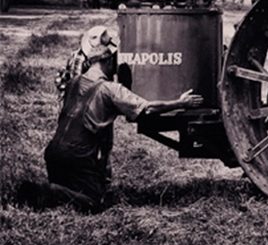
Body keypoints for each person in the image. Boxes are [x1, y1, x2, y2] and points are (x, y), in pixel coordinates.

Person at [42, 26, 203, 211]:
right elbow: (147, 109)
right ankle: (51, 191)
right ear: (108, 61)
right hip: (77, 155)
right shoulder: (110, 90)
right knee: (95, 203)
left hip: (53, 152)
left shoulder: (74, 82)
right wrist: (180, 103)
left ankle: (55, 191)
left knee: (74, 191)